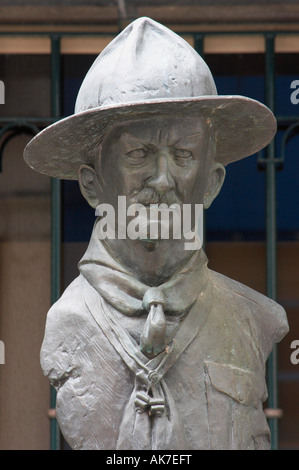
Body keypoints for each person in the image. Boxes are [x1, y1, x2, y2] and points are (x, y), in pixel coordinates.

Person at [24, 17, 288, 450]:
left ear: (212, 182)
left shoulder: (255, 317)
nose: (163, 179)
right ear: (91, 184)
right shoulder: (68, 321)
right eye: (138, 153)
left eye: (184, 154)